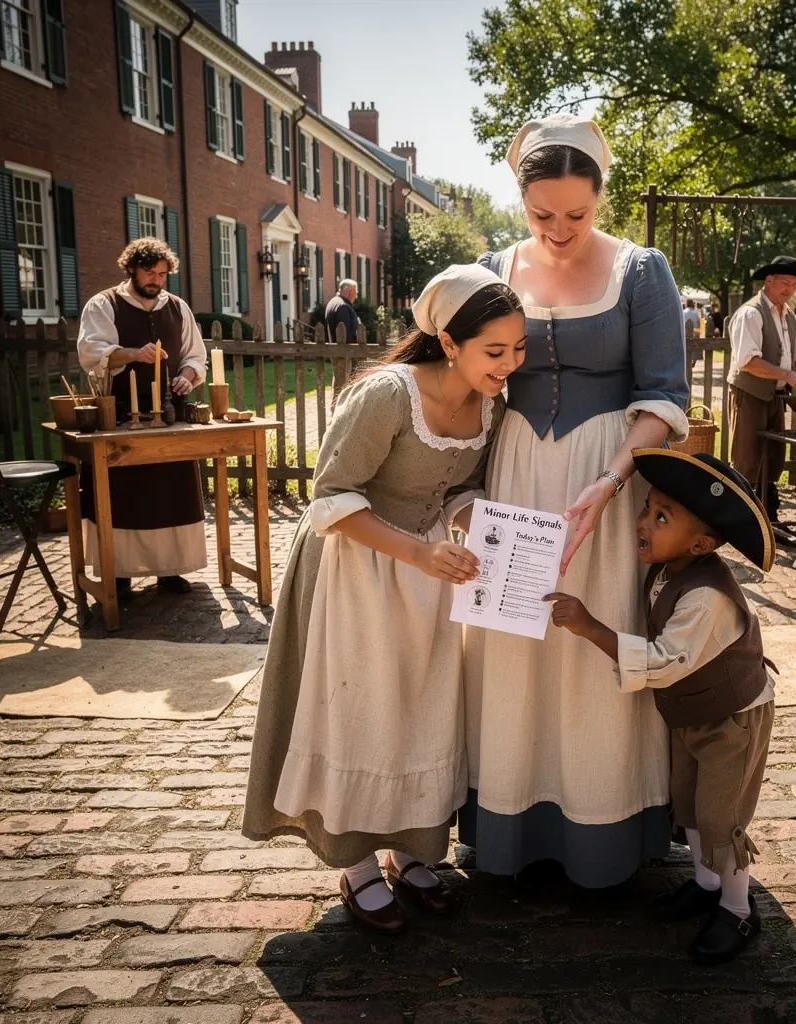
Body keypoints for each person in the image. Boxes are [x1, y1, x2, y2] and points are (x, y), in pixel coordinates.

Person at [241, 265, 525, 933]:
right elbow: (331, 498)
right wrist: (420, 551)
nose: (509, 365)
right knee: (361, 708)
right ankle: (357, 864)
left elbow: (463, 487)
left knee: (419, 703)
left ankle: (407, 849)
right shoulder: (386, 397)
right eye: (495, 351)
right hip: (356, 566)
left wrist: (463, 523)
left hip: (426, 572)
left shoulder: (493, 404)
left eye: (517, 350)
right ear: (450, 344)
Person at [460, 113, 689, 888]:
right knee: (514, 646)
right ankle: (510, 822)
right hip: (517, 474)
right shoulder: (493, 267)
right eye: (541, 215)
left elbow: (664, 397)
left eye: (577, 215)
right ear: (520, 200)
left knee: (594, 646)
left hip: (608, 478)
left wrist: (610, 482)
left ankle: (605, 827)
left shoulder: (641, 270)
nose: (558, 231)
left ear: (601, 197)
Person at [545, 448, 775, 963]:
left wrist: (590, 627)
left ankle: (738, 910)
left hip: (732, 719)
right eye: (647, 508)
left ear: (702, 542)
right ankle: (705, 882)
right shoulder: (671, 568)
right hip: (693, 714)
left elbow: (665, 662)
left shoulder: (706, 598)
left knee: (722, 817)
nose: (644, 523)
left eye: (661, 517)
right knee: (689, 803)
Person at [76, 238, 207, 598]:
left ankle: (171, 569)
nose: (156, 280)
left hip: (170, 418)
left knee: (171, 493)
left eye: (162, 274)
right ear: (131, 268)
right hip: (120, 416)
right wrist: (133, 354)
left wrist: (188, 376)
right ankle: (118, 571)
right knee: (123, 496)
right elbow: (91, 353)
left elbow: (196, 356)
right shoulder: (104, 305)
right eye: (149, 272)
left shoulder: (178, 307)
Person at [726, 255, 796, 533]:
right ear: (768, 281)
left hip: (775, 396)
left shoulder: (789, 315)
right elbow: (748, 361)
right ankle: (739, 521)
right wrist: (788, 375)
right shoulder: (751, 313)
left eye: (793, 285)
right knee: (747, 457)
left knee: (773, 456)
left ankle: (770, 517)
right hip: (750, 393)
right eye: (784, 283)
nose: (789, 290)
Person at [325, 278, 361, 343]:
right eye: (356, 292)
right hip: (345, 350)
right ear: (350, 291)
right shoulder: (343, 306)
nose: (356, 296)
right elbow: (346, 334)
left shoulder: (332, 302)